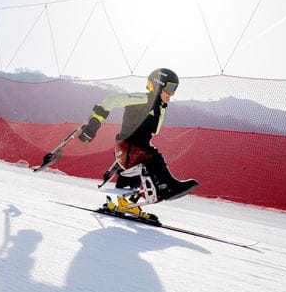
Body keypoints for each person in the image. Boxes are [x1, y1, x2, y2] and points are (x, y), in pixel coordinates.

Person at [78, 68, 198, 217]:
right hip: (128, 146)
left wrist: (157, 110)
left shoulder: (159, 107)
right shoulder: (144, 98)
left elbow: (155, 131)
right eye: (171, 88)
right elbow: (112, 100)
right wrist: (97, 120)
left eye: (175, 89)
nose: (172, 93)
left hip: (135, 149)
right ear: (159, 85)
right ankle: (168, 187)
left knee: (147, 160)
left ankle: (128, 201)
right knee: (152, 155)